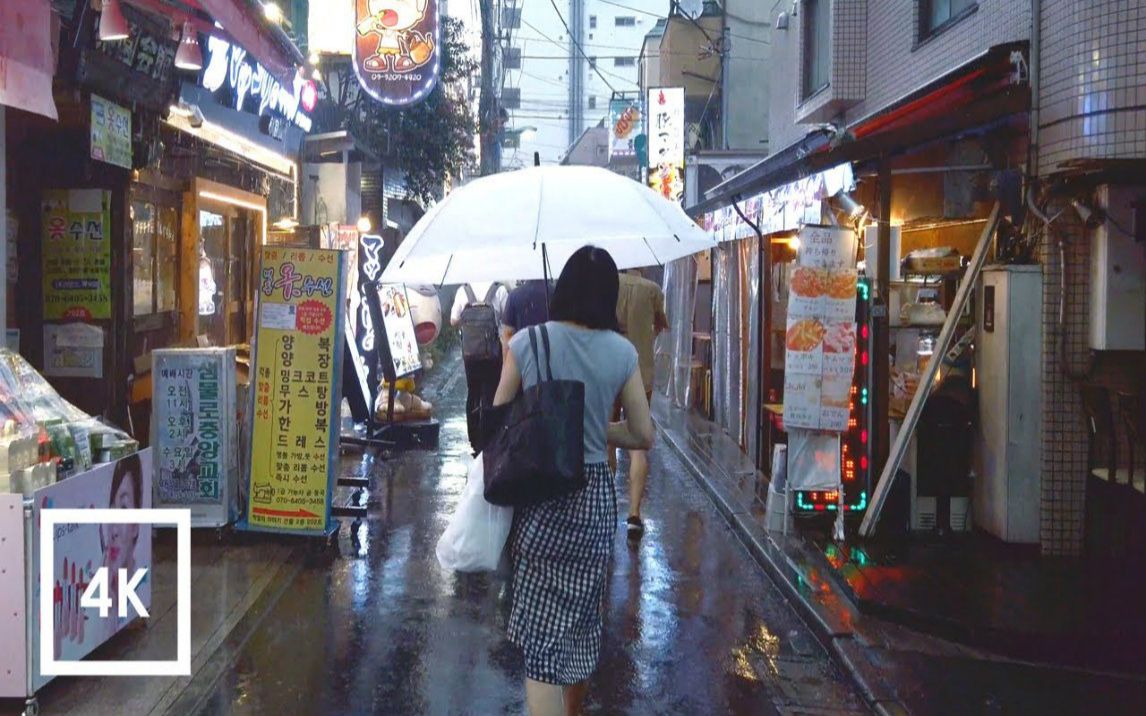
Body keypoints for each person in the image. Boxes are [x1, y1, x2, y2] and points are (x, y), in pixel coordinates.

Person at [493, 246, 654, 716]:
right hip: (594, 504)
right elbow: (644, 433)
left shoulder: (526, 343)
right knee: (583, 623)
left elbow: (502, 420)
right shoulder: (622, 352)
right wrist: (598, 428)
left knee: (542, 643)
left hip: (539, 498)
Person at [609, 268, 668, 537]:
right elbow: (660, 326)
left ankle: (607, 504)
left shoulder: (608, 286)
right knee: (638, 442)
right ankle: (634, 514)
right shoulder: (652, 289)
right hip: (640, 372)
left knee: (605, 436)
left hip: (608, 371)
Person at [451, 281, 510, 453]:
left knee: (473, 391)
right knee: (492, 392)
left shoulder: (464, 290)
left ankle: (474, 439)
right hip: (492, 353)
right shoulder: (499, 290)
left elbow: (453, 320)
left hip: (470, 354)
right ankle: (490, 437)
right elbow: (507, 321)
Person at [501, 279, 553, 352]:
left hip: (523, 353)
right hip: (552, 351)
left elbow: (508, 334)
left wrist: (506, 361)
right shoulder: (556, 292)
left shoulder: (514, 295)